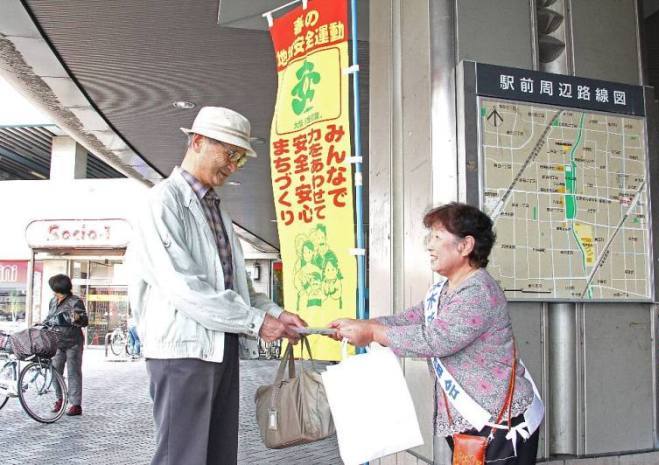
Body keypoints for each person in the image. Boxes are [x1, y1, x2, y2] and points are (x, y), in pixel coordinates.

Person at [126, 106, 306, 465]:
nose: (234, 164)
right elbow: (184, 287)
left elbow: (237, 287)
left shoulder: (216, 210)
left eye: (239, 157)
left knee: (219, 455)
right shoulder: (163, 201)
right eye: (229, 153)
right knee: (184, 457)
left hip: (219, 345)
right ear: (197, 142)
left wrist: (276, 313)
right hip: (182, 353)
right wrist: (256, 322)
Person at [330, 202, 542, 464]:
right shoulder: (444, 289)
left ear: (465, 246)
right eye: (429, 237)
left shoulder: (477, 291)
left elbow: (435, 339)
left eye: (437, 237)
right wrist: (361, 325)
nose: (429, 246)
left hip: (499, 422)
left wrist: (372, 332)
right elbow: (409, 320)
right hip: (476, 423)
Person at [43, 273, 88, 417]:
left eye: (54, 289)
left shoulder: (75, 301)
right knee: (55, 370)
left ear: (59, 289)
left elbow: (84, 321)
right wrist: (43, 324)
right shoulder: (53, 301)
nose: (53, 292)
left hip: (73, 342)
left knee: (73, 372)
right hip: (56, 341)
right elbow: (49, 318)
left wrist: (77, 318)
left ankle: (75, 405)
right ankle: (60, 399)